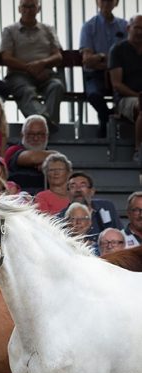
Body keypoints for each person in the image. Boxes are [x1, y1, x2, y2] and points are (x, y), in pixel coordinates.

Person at [0, 0, 65, 129]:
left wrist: (42, 64)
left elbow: (58, 56)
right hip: (19, 74)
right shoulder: (9, 30)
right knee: (26, 91)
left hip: (45, 73)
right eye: (25, 6)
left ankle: (43, 125)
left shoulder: (48, 29)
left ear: (38, 9)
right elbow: (6, 58)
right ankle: (45, 124)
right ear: (19, 9)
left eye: (32, 6)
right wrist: (29, 68)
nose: (28, 10)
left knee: (57, 86)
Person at [80, 1, 128, 138]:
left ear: (116, 2)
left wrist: (100, 58)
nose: (106, 3)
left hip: (120, 74)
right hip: (95, 75)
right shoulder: (89, 26)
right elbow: (87, 61)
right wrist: (110, 59)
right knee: (93, 95)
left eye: (110, 0)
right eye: (103, 0)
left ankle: (106, 122)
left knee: (125, 95)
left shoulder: (124, 26)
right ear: (97, 2)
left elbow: (127, 57)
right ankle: (106, 117)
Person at [108, 14, 142, 160]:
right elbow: (117, 84)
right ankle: (139, 150)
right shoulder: (118, 50)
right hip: (125, 98)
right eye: (137, 28)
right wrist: (137, 96)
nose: (140, 32)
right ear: (129, 28)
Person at [58, 171, 122, 241]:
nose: (78, 190)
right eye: (73, 186)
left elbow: (120, 235)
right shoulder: (60, 217)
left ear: (92, 191)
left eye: (83, 185)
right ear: (67, 193)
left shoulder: (107, 207)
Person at [4, 114, 58, 194]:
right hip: (20, 203)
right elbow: (33, 158)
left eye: (40, 134)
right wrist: (52, 157)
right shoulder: (13, 151)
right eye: (31, 134)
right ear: (22, 135)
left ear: (47, 136)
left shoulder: (49, 155)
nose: (35, 138)